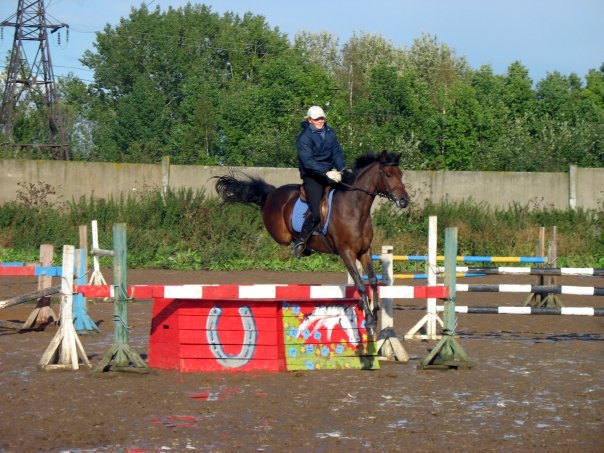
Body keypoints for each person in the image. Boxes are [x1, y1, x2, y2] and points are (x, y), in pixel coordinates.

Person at [293, 105, 346, 258]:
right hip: (312, 176)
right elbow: (308, 162)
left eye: (322, 118)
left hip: (329, 173)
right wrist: (326, 172)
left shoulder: (330, 133)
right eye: (317, 119)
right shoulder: (304, 138)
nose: (320, 121)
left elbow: (336, 152)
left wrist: (342, 169)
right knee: (316, 212)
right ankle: (301, 241)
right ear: (310, 120)